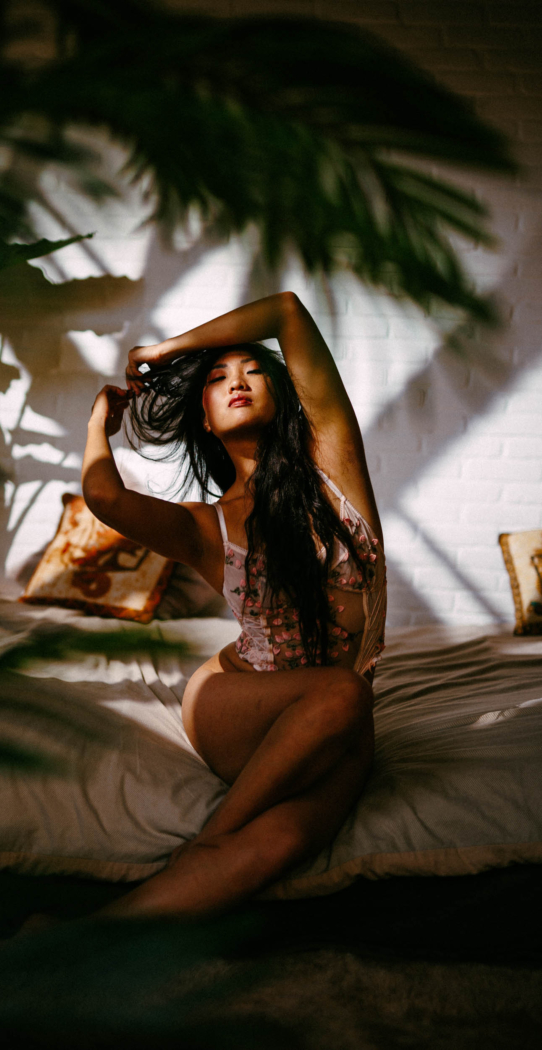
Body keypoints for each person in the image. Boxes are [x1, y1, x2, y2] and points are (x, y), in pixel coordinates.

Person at [82, 292, 386, 917]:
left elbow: (287, 312)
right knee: (344, 694)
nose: (237, 381)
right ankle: (213, 838)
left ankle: (69, 939)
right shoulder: (205, 527)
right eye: (217, 378)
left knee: (283, 841)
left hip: (329, 722)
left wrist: (170, 349)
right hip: (234, 706)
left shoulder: (335, 468)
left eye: (251, 370)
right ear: (206, 420)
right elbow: (106, 498)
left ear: (283, 393)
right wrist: (97, 426)